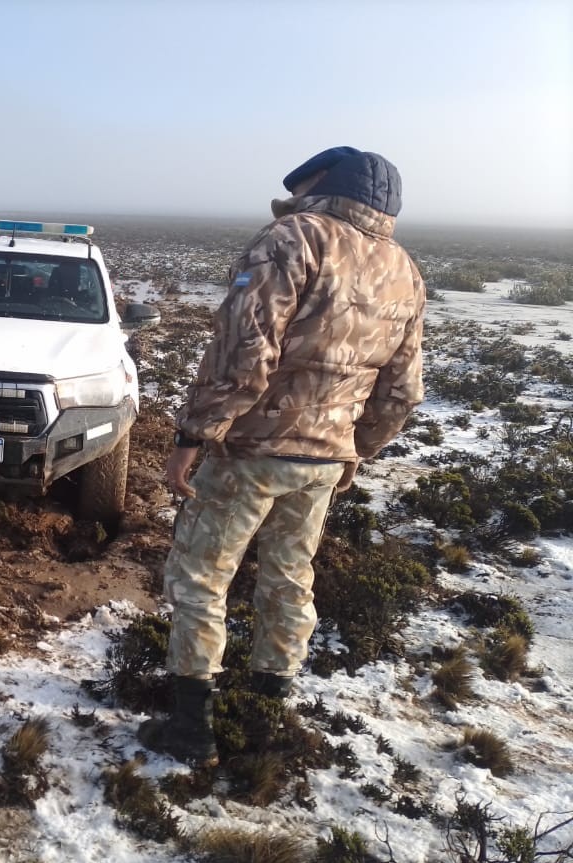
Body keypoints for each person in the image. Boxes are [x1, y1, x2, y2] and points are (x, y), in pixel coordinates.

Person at [140, 147, 426, 766]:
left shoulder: (294, 238)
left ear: (320, 183)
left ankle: (192, 727)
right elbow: (403, 390)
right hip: (325, 460)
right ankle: (268, 718)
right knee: (290, 580)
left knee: (199, 577)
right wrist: (357, 448)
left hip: (252, 449)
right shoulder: (405, 269)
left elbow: (244, 356)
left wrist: (192, 437)